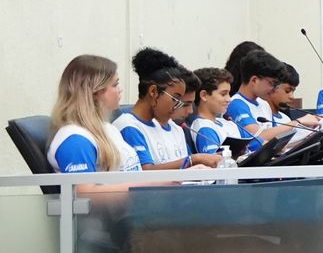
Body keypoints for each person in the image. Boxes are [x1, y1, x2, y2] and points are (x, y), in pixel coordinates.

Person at [113, 48, 220, 170]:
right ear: (153, 92)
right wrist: (193, 160)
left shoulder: (166, 126)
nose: (176, 107)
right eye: (175, 99)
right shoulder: (129, 126)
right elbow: (144, 172)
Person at [47, 54, 143, 182]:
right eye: (115, 85)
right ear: (95, 92)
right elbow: (85, 192)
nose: (120, 90)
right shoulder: (75, 140)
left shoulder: (108, 129)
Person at [227, 50, 299, 150]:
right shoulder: (236, 104)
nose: (274, 89)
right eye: (272, 83)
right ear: (254, 80)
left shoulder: (264, 104)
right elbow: (257, 137)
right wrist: (297, 122)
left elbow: (275, 141)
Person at [190, 67, 244, 155]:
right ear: (204, 95)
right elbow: (215, 162)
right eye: (223, 94)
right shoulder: (204, 128)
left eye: (229, 93)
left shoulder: (229, 123)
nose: (229, 99)